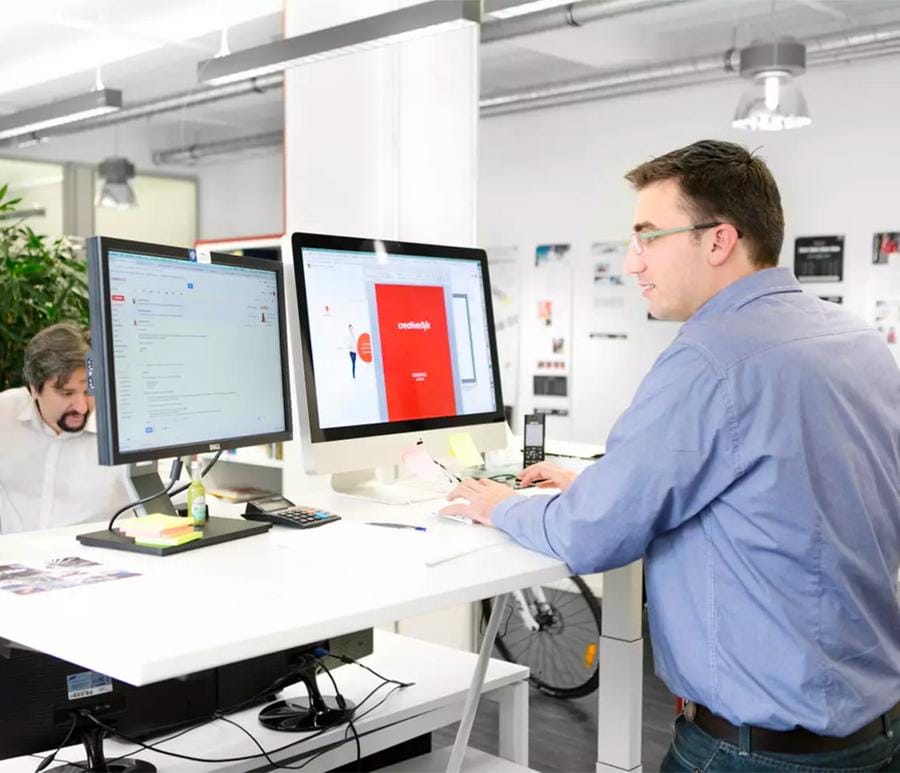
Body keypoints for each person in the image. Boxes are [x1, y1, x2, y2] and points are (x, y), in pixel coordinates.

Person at [442, 140, 900, 771]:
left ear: (718, 241)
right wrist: (600, 481)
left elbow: (593, 535)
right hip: (874, 735)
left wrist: (503, 505)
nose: (633, 263)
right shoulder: (855, 341)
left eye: (649, 236)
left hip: (754, 753)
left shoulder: (709, 358)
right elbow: (787, 488)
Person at [0, 322, 131, 533]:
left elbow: (174, 500)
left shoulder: (126, 427)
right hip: (14, 559)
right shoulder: (4, 415)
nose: (81, 407)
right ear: (34, 388)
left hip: (98, 559)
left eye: (89, 392)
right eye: (67, 394)